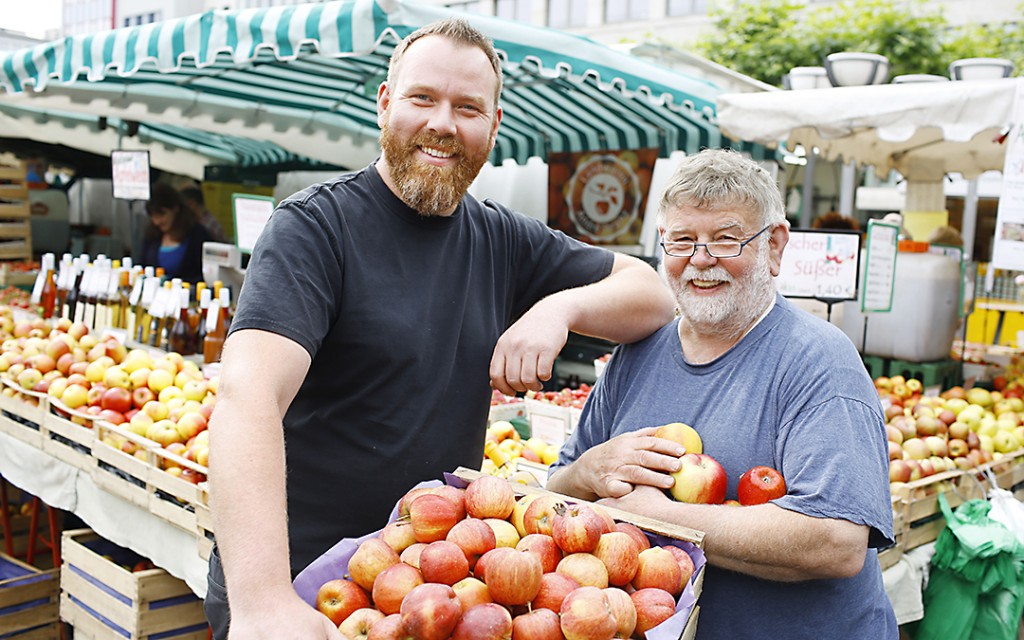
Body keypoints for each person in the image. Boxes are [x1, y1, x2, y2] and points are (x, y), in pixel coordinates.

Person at [204, 18, 676, 640]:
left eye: (468, 108)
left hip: (433, 599)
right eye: (422, 98)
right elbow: (247, 397)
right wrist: (262, 602)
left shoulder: (503, 238)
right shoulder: (314, 229)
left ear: (494, 125)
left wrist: (557, 309)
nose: (443, 123)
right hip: (308, 595)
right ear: (385, 104)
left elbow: (652, 293)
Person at [547, 149, 897, 639]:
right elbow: (553, 493)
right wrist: (586, 472)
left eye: (727, 240)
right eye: (682, 241)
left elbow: (835, 541)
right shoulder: (636, 354)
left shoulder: (818, 360)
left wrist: (659, 516)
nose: (701, 260)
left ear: (774, 247)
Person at [141, 182, 213, 283]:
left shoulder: (197, 235)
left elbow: (204, 275)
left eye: (161, 214)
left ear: (175, 209)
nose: (157, 221)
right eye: (153, 216)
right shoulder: (152, 235)